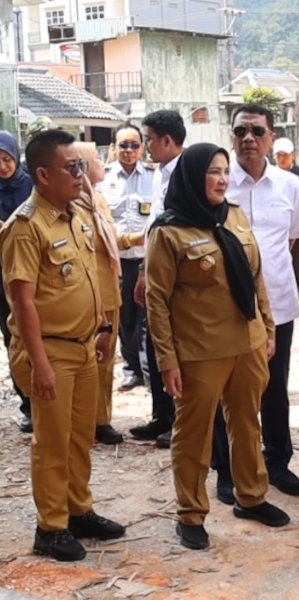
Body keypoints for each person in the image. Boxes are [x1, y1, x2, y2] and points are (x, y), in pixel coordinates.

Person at [146, 143, 290, 550]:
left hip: (248, 343)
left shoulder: (235, 216)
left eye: (225, 171)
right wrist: (167, 360)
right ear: (193, 177)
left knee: (247, 422)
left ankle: (251, 496)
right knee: (194, 433)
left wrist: (268, 327)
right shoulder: (168, 231)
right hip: (200, 351)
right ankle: (191, 513)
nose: (223, 179)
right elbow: (157, 301)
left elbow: (256, 276)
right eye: (213, 171)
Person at [0, 130, 125, 561]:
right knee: (53, 442)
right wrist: (39, 365)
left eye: (81, 165)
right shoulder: (26, 227)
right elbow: (22, 302)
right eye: (71, 167)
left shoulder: (76, 214)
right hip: (49, 351)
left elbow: (89, 276)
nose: (80, 174)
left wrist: (102, 326)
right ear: (42, 174)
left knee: (79, 437)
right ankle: (51, 527)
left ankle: (78, 510)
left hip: (83, 345)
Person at [210, 106, 299, 503]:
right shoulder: (218, 183)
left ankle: (277, 461)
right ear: (231, 136)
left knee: (274, 386)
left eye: (257, 131)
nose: (248, 138)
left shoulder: (289, 184)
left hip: (278, 303)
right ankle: (227, 468)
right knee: (224, 390)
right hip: (225, 307)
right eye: (241, 131)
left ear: (272, 137)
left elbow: (293, 238)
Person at [74, 142, 145, 445]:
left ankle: (100, 419)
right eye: (96, 158)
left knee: (104, 361)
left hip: (108, 289)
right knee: (86, 360)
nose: (103, 161)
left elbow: (111, 238)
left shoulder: (97, 199)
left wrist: (142, 236)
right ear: (81, 167)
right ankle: (83, 420)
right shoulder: (71, 205)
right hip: (86, 296)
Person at [128, 110, 185, 447]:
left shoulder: (186, 173)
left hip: (174, 274)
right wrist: (143, 269)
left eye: (148, 140)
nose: (146, 146)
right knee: (152, 343)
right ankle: (161, 415)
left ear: (166, 139)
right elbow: (154, 226)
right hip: (153, 267)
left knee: (172, 344)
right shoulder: (160, 172)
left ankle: (178, 420)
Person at [97, 123, 158, 392]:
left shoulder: (154, 176)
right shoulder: (103, 178)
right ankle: (131, 369)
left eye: (134, 145)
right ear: (114, 147)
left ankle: (148, 371)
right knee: (124, 317)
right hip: (117, 259)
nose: (129, 150)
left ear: (142, 147)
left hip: (147, 259)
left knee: (148, 317)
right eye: (123, 145)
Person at [0, 131, 34, 434]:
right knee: (13, 338)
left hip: (33, 271)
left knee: (37, 333)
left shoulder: (32, 183)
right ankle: (28, 406)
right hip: (2, 276)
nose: (2, 166)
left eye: (6, 158)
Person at [273, 137, 299, 291]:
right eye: (278, 155)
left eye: (285, 155)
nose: (282, 159)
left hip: (296, 222)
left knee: (295, 265)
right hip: (277, 224)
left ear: (293, 155)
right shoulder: (269, 175)